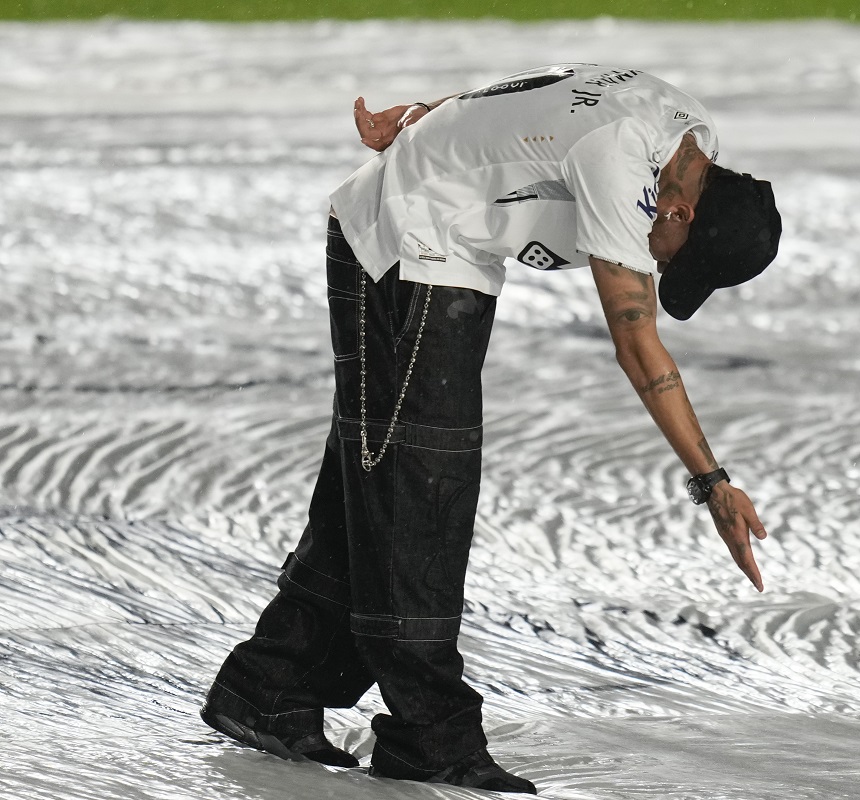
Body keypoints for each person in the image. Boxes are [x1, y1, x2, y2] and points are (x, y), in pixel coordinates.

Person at [200, 63, 781, 794]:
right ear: (682, 215)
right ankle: (429, 737)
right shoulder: (619, 161)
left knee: (380, 479)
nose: (663, 269)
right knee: (422, 496)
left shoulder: (684, 127)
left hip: (438, 249)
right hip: (407, 248)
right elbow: (638, 343)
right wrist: (712, 482)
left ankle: (270, 686)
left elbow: (531, 96)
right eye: (677, 263)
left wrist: (428, 113)